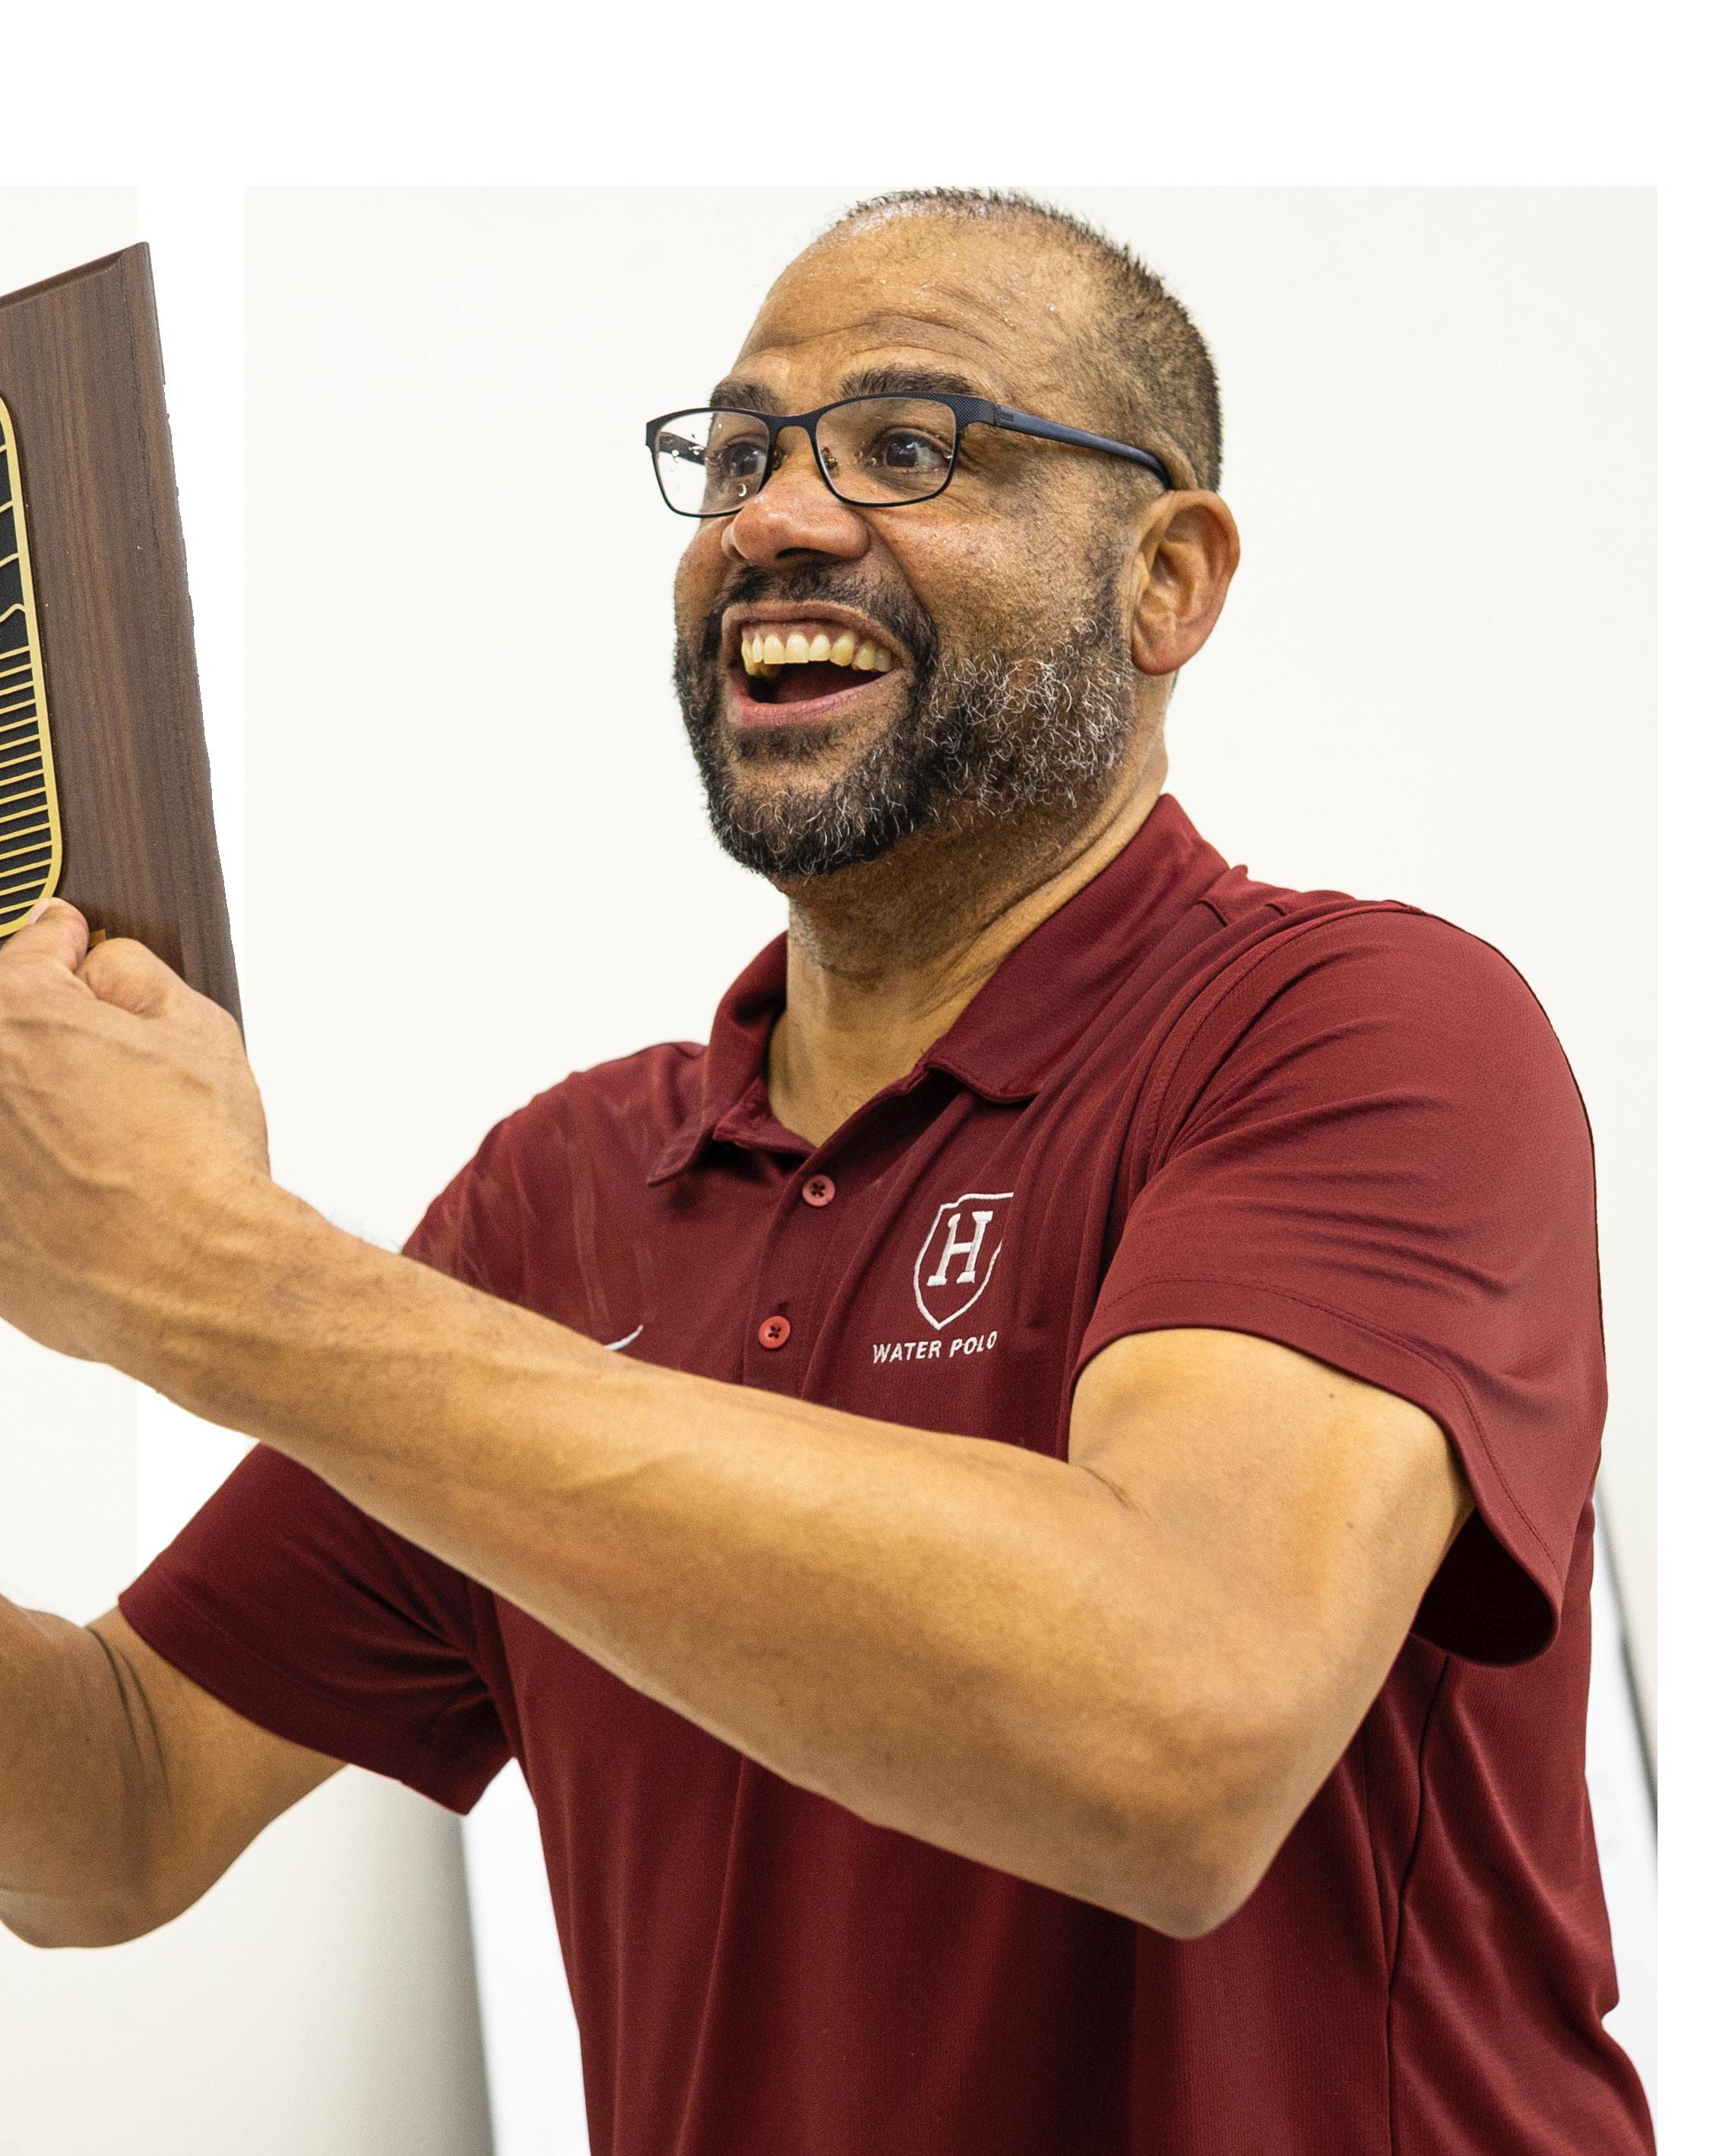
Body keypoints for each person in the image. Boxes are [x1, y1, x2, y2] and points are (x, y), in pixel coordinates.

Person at [0, 190, 1653, 2156]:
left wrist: (215, 1279)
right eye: (734, 456)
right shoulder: (562, 1199)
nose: (775, 519)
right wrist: (217, 1285)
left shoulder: (1365, 1033)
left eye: (908, 446)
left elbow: (1181, 1729)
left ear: (1167, 579)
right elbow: (115, 1802)